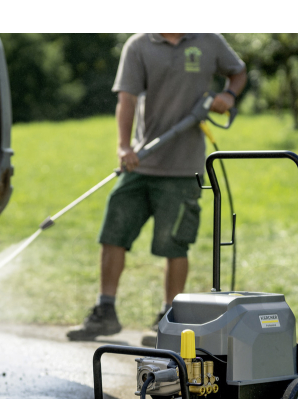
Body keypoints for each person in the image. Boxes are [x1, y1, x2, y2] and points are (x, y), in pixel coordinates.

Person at [67, 33, 246, 341]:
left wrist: (229, 95)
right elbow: (126, 99)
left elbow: (238, 71)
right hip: (141, 162)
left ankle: (169, 320)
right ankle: (105, 312)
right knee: (113, 234)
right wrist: (124, 146)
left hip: (184, 168)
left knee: (174, 244)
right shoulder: (139, 45)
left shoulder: (208, 41)